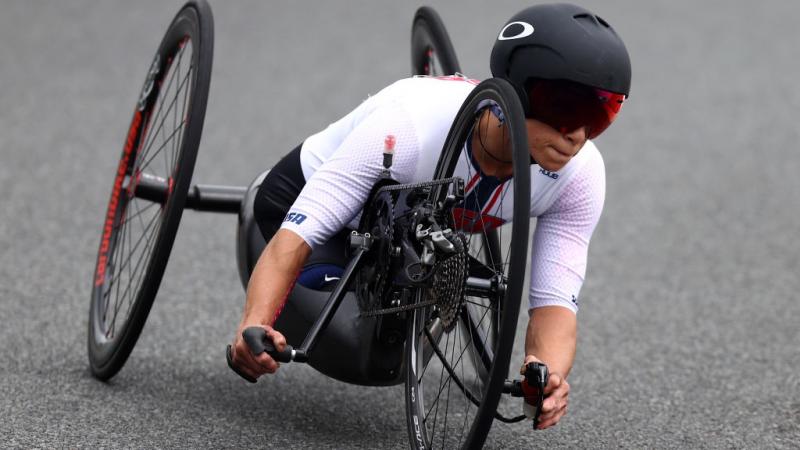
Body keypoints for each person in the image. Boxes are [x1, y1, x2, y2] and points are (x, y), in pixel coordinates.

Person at [228, 3, 631, 431]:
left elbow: (555, 303)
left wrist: (546, 373)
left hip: (402, 232)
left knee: (391, 333)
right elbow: (296, 237)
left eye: (600, 114)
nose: (578, 135)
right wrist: (253, 323)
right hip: (305, 213)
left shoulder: (580, 176)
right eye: (566, 107)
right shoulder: (409, 129)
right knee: (353, 345)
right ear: (516, 91)